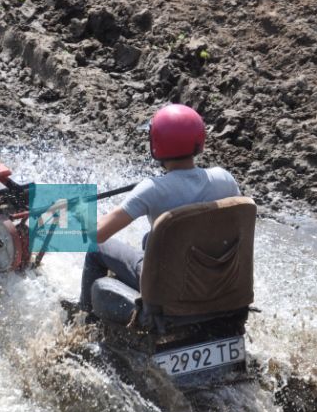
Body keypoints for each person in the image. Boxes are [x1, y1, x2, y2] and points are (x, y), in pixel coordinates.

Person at [77, 103, 241, 313]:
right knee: (148, 239)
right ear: (199, 141)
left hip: (168, 290)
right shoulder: (224, 179)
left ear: (156, 144)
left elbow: (98, 234)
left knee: (96, 250)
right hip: (217, 284)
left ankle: (85, 321)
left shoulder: (152, 189)